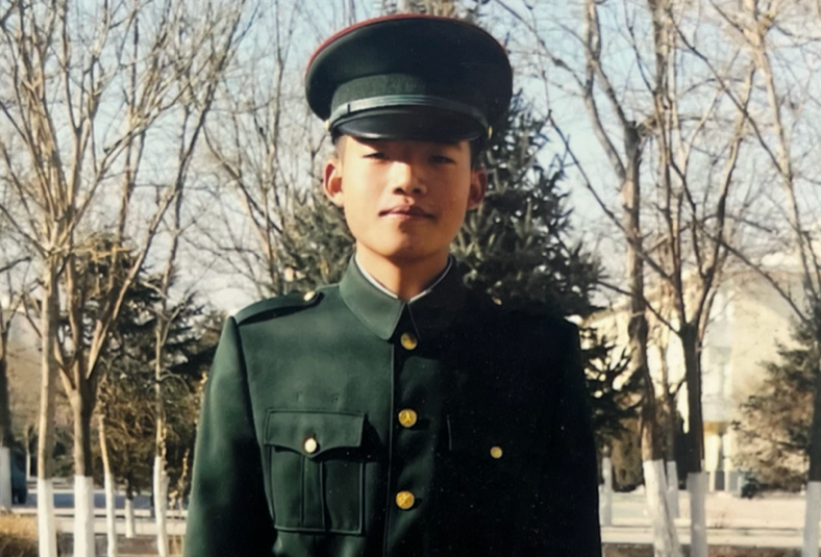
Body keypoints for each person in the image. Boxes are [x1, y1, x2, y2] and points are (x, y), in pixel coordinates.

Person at [183, 14, 601, 557]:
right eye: (379, 154)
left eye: (439, 157)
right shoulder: (262, 348)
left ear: (476, 187)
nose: (407, 179)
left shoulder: (538, 357)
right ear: (335, 181)